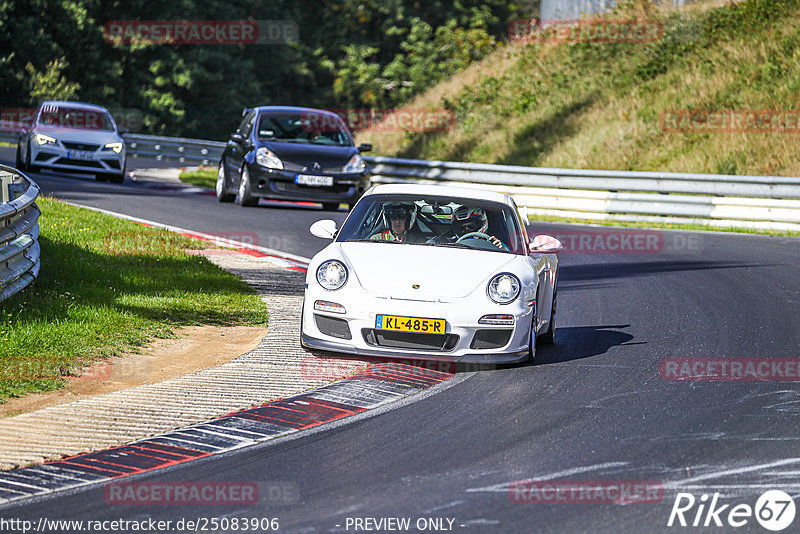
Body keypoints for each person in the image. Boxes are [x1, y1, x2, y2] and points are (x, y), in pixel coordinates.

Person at [441, 205, 508, 250]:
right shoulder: (450, 246)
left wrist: (501, 250)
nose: (466, 230)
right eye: (462, 228)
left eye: (471, 227)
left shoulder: (494, 243)